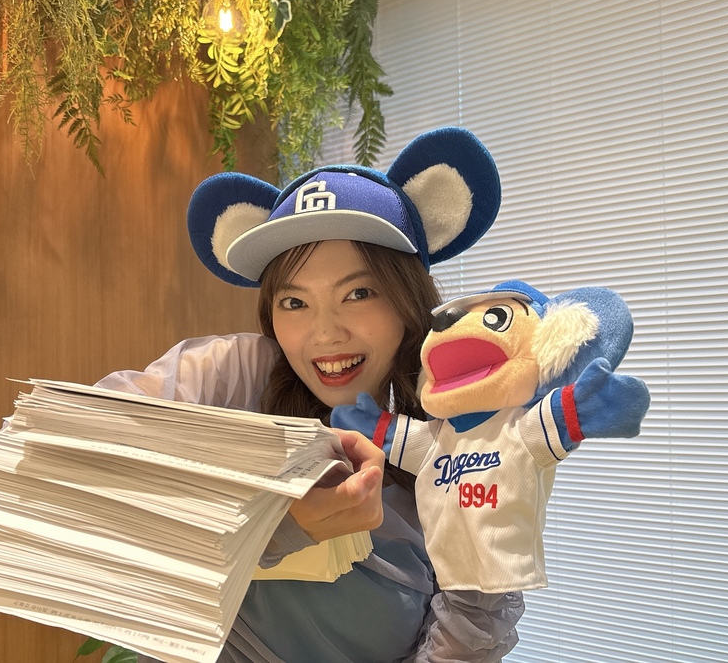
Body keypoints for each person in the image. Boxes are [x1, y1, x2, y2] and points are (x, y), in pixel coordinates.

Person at [97, 127, 525, 663]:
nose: (324, 334)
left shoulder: (459, 450)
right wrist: (273, 526)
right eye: (294, 302)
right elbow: (78, 454)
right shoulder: (231, 377)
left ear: (408, 301)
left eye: (359, 292)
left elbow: (469, 629)